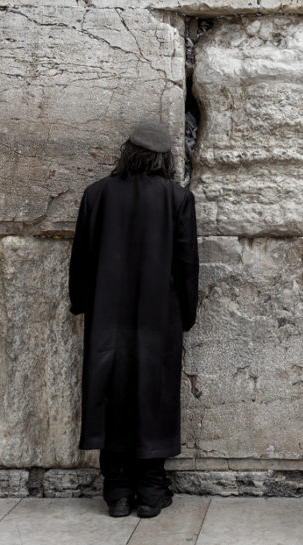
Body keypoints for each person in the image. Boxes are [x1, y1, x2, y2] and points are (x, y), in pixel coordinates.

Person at [68, 122, 199, 518]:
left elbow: (81, 259)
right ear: (165, 160)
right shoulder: (178, 199)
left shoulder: (96, 195)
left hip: (107, 317)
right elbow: (186, 265)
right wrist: (187, 314)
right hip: (159, 318)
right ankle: (151, 490)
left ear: (127, 153)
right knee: (153, 395)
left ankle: (118, 491)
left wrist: (81, 304)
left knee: (111, 394)